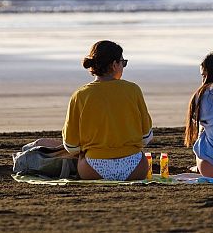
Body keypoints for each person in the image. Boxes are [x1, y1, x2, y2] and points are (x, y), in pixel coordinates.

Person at [61, 40, 154, 181]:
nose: (123, 66)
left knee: (79, 155)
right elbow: (146, 136)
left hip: (93, 169)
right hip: (135, 168)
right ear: (115, 64)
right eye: (123, 62)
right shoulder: (133, 90)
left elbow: (71, 145)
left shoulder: (80, 95)